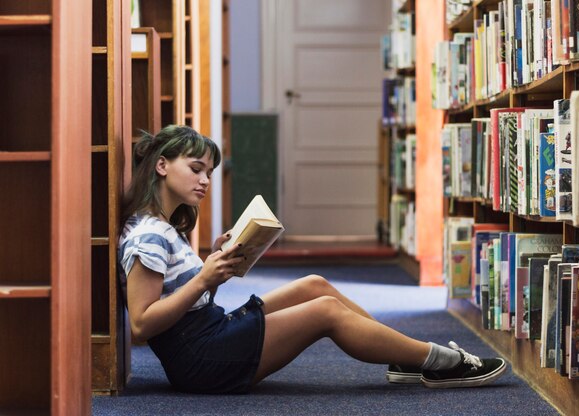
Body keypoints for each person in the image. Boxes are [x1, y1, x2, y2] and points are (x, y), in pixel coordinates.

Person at [118, 125, 507, 394]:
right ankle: (441, 362)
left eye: (209, 172)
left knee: (314, 285)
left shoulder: (162, 226)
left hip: (208, 332)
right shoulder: (149, 235)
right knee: (325, 311)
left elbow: (180, 293)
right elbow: (141, 323)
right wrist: (204, 279)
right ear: (162, 165)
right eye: (196, 169)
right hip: (200, 361)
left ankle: (404, 356)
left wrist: (214, 268)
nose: (205, 180)